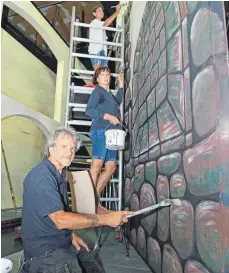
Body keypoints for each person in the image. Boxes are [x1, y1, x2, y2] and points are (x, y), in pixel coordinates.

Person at [20, 127, 134, 273]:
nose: (69, 152)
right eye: (64, 147)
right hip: (44, 252)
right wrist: (106, 219)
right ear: (51, 149)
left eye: (73, 148)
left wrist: (70, 235)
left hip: (61, 241)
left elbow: (55, 217)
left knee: (93, 266)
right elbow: (60, 220)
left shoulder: (60, 174)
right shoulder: (42, 176)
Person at [85, 67, 124, 213]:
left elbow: (118, 101)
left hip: (111, 133)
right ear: (97, 78)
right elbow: (89, 110)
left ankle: (93, 199)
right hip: (101, 131)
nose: (106, 77)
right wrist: (108, 116)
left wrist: (120, 84)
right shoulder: (98, 91)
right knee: (97, 165)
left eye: (107, 74)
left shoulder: (109, 94)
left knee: (111, 167)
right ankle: (89, 201)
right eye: (102, 75)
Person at [89, 4, 121, 71]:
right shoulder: (94, 22)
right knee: (100, 74)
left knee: (103, 74)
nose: (101, 12)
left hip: (102, 53)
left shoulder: (100, 25)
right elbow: (106, 23)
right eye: (99, 10)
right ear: (94, 14)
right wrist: (117, 12)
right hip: (96, 52)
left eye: (102, 11)